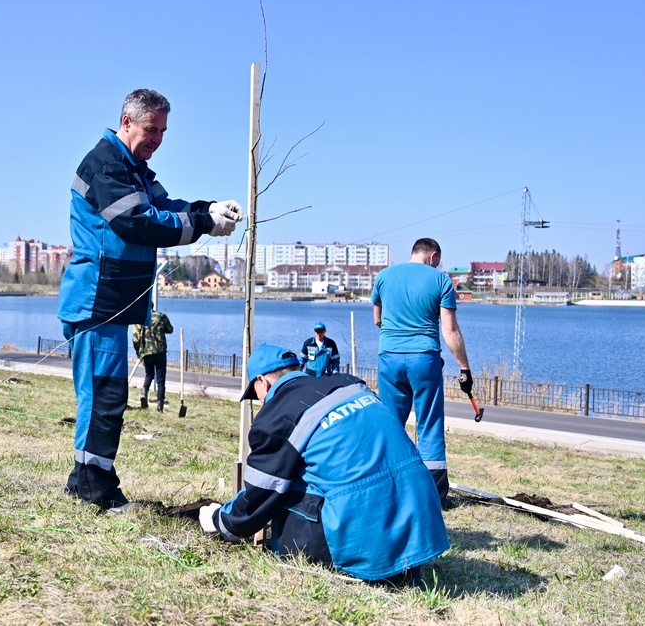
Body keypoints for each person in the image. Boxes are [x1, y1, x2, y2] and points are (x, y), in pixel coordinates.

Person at [57, 88, 242, 513]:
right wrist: (202, 224)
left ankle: (81, 481)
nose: (157, 139)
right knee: (104, 396)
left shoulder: (134, 168)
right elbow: (138, 222)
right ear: (127, 122)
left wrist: (207, 208)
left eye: (163, 132)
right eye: (150, 129)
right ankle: (96, 491)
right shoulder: (105, 164)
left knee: (102, 395)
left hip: (111, 303)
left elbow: (166, 206)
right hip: (97, 302)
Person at [198, 344, 449, 585]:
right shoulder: (347, 383)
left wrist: (221, 520)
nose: (261, 401)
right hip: (423, 522)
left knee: (283, 491)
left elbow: (260, 494)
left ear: (262, 381)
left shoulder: (277, 415)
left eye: (256, 394)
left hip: (365, 536)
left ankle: (366, 556)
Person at [370, 238, 473, 509]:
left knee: (391, 423)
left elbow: (377, 320)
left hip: (389, 357)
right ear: (433, 256)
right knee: (429, 423)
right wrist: (464, 368)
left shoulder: (383, 277)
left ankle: (387, 488)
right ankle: (434, 497)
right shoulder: (441, 281)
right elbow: (449, 331)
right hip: (424, 359)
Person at [132, 308, 174, 412]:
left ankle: (144, 392)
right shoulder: (161, 316)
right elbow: (170, 329)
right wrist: (160, 329)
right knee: (161, 380)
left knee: (149, 375)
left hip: (147, 352)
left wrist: (139, 352)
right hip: (160, 352)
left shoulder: (140, 319)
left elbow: (135, 339)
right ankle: (160, 406)